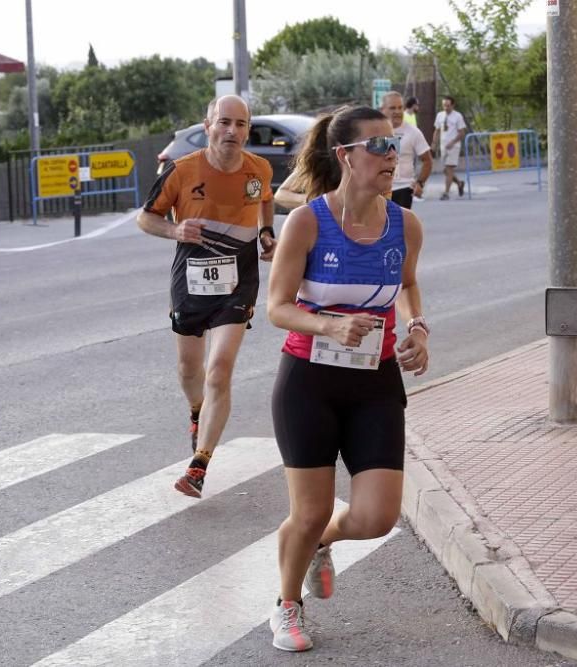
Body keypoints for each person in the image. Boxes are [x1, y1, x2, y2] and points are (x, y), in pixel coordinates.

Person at [265, 105, 429, 652]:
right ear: (346, 157)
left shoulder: (405, 224)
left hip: (375, 382)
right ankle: (288, 606)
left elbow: (406, 287)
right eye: (379, 147)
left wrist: (418, 328)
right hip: (308, 381)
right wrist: (330, 326)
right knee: (307, 511)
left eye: (394, 144)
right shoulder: (308, 222)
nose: (392, 155)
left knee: (378, 516)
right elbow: (277, 307)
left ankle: (319, 544)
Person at [137, 95, 275, 498]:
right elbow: (146, 217)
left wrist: (266, 233)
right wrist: (174, 231)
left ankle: (200, 464)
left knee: (220, 369)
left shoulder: (259, 169)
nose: (232, 131)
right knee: (189, 369)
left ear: (248, 129)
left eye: (241, 124)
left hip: (239, 280)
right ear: (208, 125)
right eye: (224, 123)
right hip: (191, 279)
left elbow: (265, 200)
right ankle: (197, 411)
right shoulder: (182, 171)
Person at [380, 91, 433, 209]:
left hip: (403, 188)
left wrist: (420, 183)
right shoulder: (373, 132)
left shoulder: (413, 132)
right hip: (378, 189)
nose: (397, 112)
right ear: (382, 110)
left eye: (400, 107)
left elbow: (427, 160)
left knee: (397, 225)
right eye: (392, 108)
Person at [432, 95, 467, 200]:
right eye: (444, 105)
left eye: (448, 105)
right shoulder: (440, 115)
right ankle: (460, 183)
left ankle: (446, 193)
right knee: (445, 170)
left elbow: (462, 133)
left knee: (449, 169)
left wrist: (453, 142)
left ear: (453, 105)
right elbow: (437, 130)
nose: (446, 108)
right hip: (443, 146)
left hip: (453, 147)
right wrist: (434, 143)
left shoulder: (458, 116)